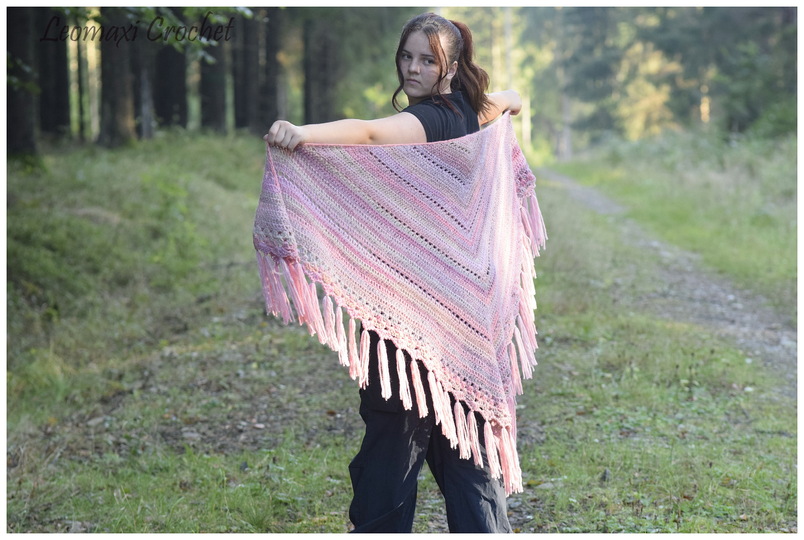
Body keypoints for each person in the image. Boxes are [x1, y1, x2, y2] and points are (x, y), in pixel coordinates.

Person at [264, 12, 522, 533]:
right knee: (467, 453)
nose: (413, 68)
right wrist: (510, 102)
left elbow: (368, 132)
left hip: (409, 325)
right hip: (461, 324)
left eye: (428, 60)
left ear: (451, 68)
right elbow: (510, 99)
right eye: (407, 56)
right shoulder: (472, 112)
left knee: (391, 449)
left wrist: (302, 133)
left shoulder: (428, 120)